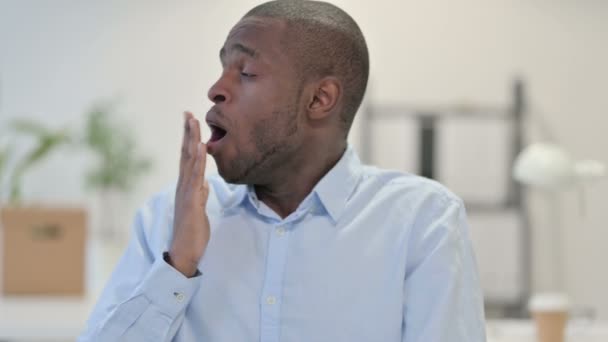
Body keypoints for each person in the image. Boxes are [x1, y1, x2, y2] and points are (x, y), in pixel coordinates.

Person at [78, 1, 486, 341]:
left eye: (247, 72)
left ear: (320, 99)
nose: (216, 89)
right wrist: (177, 265)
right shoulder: (170, 216)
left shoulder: (421, 221)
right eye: (222, 68)